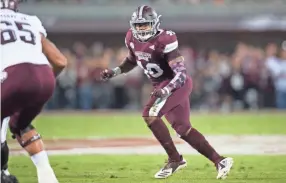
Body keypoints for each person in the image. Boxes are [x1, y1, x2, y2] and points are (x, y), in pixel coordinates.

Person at [101, 5, 233, 179]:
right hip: (161, 86)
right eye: (138, 25)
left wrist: (166, 89)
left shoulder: (165, 39)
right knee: (182, 129)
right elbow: (132, 60)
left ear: (155, 23)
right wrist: (115, 72)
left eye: (145, 25)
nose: (141, 29)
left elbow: (180, 73)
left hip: (175, 84)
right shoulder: (131, 37)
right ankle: (220, 160)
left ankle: (175, 159)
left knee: (150, 114)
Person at [1, 0, 67, 182]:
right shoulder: (30, 20)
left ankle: (3, 173)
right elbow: (60, 61)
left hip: (14, 76)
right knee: (19, 125)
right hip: (45, 77)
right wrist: (40, 83)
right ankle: (48, 177)